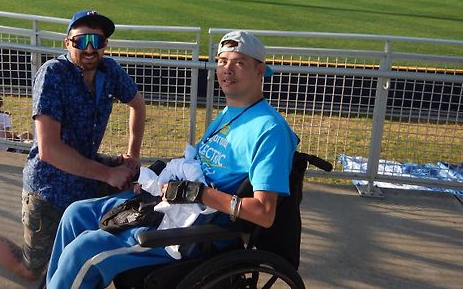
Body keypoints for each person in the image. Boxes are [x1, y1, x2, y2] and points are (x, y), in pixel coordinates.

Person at [46, 30, 299, 289]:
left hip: (197, 227)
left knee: (86, 250)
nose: (227, 70)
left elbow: (264, 213)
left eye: (239, 63)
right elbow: (196, 163)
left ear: (260, 71)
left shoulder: (271, 131)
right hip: (175, 201)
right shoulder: (230, 113)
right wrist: (157, 176)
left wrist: (198, 194)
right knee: (76, 214)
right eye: (222, 61)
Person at [0, 10, 146, 283]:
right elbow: (49, 149)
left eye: (98, 41)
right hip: (50, 185)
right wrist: (108, 173)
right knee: (31, 270)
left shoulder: (110, 70)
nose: (91, 48)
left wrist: (133, 156)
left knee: (134, 183)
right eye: (82, 41)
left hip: (86, 171)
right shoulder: (53, 75)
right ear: (66, 43)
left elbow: (137, 104)